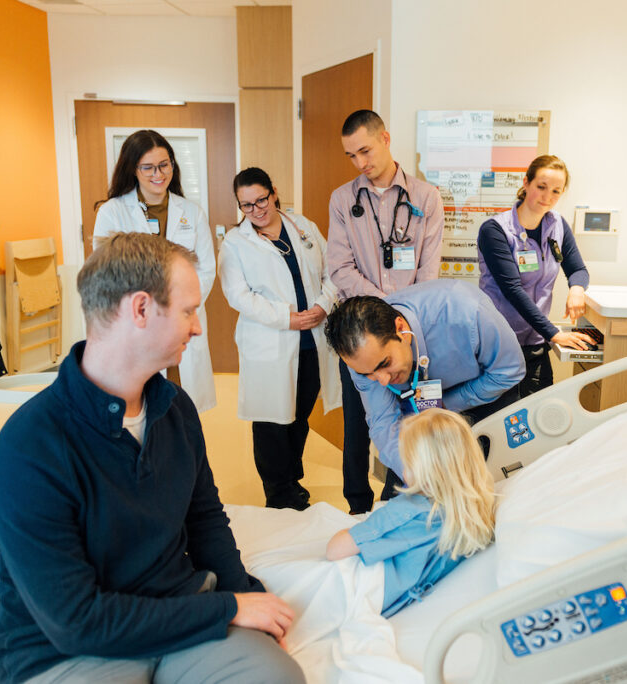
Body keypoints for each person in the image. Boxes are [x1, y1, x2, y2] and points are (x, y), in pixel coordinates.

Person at [0, 233, 303, 684]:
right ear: (141, 309)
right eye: (189, 311)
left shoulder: (175, 409)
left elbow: (205, 518)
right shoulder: (29, 449)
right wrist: (227, 608)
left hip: (179, 613)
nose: (198, 327)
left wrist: (247, 600)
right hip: (66, 650)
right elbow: (77, 623)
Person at [327, 109, 445, 514]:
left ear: (386, 139)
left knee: (416, 414)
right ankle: (358, 506)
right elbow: (339, 267)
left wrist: (403, 314)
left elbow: (429, 268)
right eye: (351, 156)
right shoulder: (343, 199)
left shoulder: (426, 197)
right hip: (361, 333)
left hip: (407, 333)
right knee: (359, 424)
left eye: (365, 150)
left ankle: (398, 498)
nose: (361, 163)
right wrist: (383, 305)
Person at [324, 279, 525, 488]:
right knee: (407, 491)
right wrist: (413, 473)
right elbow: (384, 422)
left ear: (401, 329)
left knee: (494, 484)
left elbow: (509, 370)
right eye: (369, 374)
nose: (382, 380)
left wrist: (447, 404)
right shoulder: (360, 358)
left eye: (385, 363)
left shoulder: (466, 311)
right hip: (414, 407)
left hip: (486, 392)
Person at [219, 167, 341, 510]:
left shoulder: (304, 227)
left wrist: (322, 305)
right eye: (246, 206)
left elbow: (333, 271)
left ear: (274, 192)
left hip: (311, 340)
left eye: (261, 200)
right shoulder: (235, 243)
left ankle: (291, 480)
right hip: (270, 341)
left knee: (300, 414)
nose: (257, 210)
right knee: (272, 418)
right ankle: (278, 492)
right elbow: (238, 295)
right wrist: (284, 318)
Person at [325, 408, 495, 616]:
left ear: (424, 469)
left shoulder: (410, 512)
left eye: (406, 461)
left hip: (361, 589)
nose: (402, 470)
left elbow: (334, 550)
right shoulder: (473, 511)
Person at [93, 129, 217, 413]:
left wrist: (177, 310)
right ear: (133, 169)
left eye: (164, 165)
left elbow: (206, 269)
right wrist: (152, 310)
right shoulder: (113, 212)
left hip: (181, 323)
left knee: (181, 406)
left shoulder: (192, 211)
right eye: (147, 167)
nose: (158, 173)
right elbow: (106, 272)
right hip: (137, 323)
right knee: (140, 408)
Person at [477, 155, 596, 398]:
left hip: (535, 343)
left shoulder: (557, 225)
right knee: (498, 424)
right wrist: (554, 334)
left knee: (541, 420)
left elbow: (578, 270)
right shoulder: (496, 230)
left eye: (556, 191)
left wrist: (576, 289)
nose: (547, 197)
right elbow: (512, 290)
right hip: (498, 345)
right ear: (526, 183)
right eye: (541, 187)